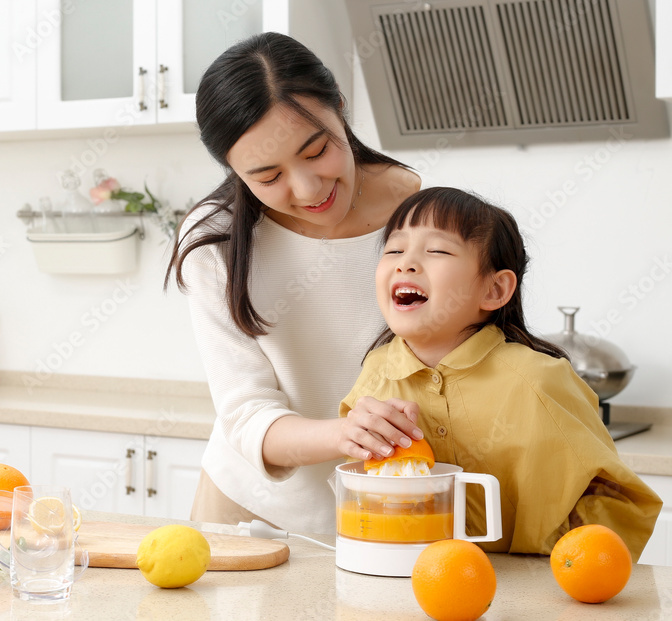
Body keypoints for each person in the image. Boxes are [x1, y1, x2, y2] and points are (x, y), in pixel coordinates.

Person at [165, 32, 425, 534]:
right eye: (267, 176)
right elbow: (246, 413)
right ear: (234, 171)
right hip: (248, 506)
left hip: (393, 499)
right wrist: (346, 433)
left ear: (340, 109)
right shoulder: (213, 240)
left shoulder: (422, 214)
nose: (308, 189)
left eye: (317, 150)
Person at [339, 186, 662, 560]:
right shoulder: (375, 376)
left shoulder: (540, 380)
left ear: (494, 289)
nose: (404, 263)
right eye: (394, 250)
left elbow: (622, 501)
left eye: (437, 250)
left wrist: (567, 565)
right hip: (412, 584)